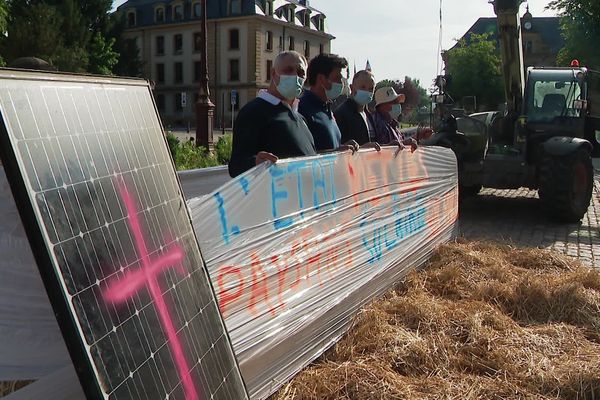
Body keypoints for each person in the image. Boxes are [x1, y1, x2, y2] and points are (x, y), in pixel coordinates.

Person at [228, 51, 316, 177]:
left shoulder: (300, 117)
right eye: (288, 70)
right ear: (273, 73)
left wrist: (337, 153)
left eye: (301, 73)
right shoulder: (253, 112)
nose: (295, 76)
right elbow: (236, 166)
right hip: (274, 194)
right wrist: (255, 162)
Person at [298, 53, 358, 153]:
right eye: (337, 78)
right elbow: (301, 155)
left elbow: (330, 147)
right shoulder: (302, 109)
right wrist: (334, 152)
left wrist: (345, 148)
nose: (341, 83)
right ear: (321, 79)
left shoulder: (327, 108)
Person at [334, 70, 377, 145]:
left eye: (371, 89)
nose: (367, 92)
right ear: (351, 87)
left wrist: (388, 146)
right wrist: (362, 149)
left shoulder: (368, 115)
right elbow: (340, 148)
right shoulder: (342, 114)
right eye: (362, 87)